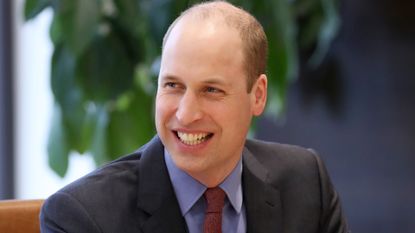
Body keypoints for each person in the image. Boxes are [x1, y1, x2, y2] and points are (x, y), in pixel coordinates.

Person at [40, 1, 349, 232]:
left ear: (257, 95)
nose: (185, 114)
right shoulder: (81, 216)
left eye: (211, 90)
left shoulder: (307, 182)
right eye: (173, 85)